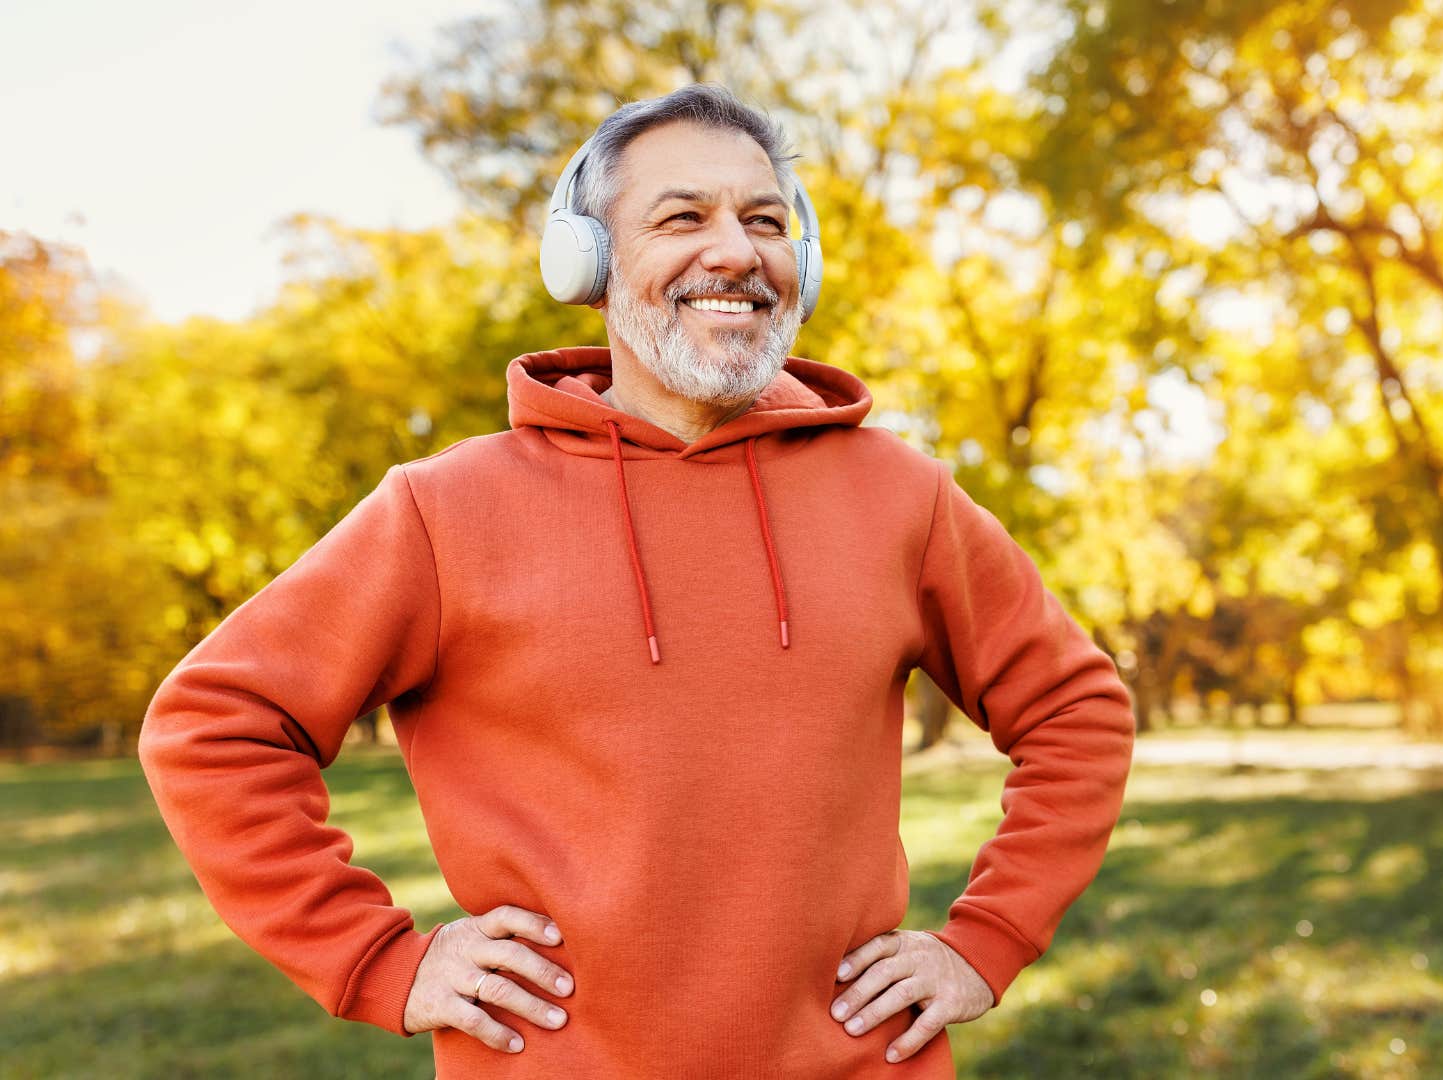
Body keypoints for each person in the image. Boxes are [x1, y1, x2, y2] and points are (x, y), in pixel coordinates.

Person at [138, 83, 1136, 1078]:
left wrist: (985, 940)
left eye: (765, 221)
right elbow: (212, 729)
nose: (737, 253)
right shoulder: (443, 512)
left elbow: (1077, 711)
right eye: (682, 217)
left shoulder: (902, 497)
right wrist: (376, 958)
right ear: (590, 260)